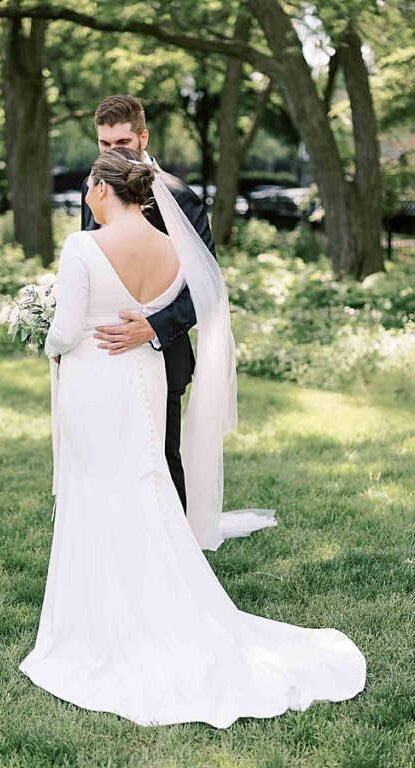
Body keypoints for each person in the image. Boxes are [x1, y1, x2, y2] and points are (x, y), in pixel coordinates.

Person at [20, 147, 365, 727]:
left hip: (96, 380)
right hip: (146, 375)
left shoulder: (83, 246)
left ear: (105, 190)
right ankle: (159, 601)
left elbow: (64, 330)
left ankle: (101, 618)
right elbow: (191, 300)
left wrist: (42, 336)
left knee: (99, 488)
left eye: (87, 187)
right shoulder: (171, 246)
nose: (84, 197)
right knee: (144, 481)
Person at [80, 94, 213, 513]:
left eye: (122, 142)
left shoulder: (179, 197)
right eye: (104, 144)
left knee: (160, 459)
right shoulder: (95, 189)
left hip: (162, 353)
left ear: (143, 137)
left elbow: (207, 290)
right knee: (110, 458)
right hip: (103, 354)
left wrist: (154, 327)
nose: (112, 152)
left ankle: (179, 560)